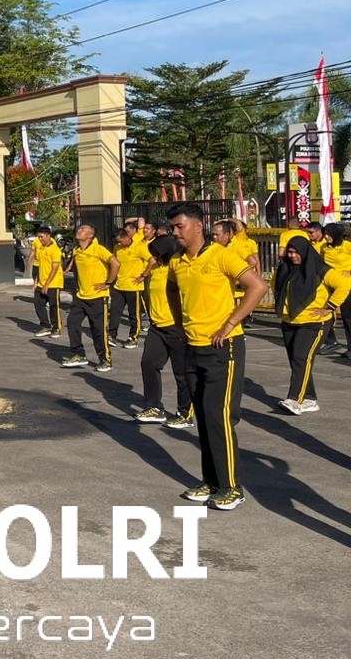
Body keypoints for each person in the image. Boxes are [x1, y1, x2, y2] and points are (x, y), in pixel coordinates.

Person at [167, 202, 266, 511]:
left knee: (219, 417)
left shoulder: (221, 255)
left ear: (198, 226)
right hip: (192, 347)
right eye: (173, 227)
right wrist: (180, 324)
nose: (175, 232)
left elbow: (258, 286)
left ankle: (231, 487)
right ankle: (211, 481)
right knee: (204, 416)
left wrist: (230, 323)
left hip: (224, 348)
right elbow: (172, 291)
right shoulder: (177, 262)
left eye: (180, 226)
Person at [273, 237, 350, 414]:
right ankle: (310, 399)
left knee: (301, 358)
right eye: (290, 252)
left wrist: (329, 307)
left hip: (315, 323)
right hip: (290, 321)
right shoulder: (285, 268)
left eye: (296, 252)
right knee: (297, 362)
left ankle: (294, 399)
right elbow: (276, 285)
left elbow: (344, 284)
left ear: (305, 252)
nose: (292, 256)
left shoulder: (320, 269)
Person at [135, 235, 192, 426]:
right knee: (149, 363)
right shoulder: (156, 269)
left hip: (177, 328)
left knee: (182, 373)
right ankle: (154, 407)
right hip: (157, 327)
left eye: (158, 254)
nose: (154, 257)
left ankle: (185, 413)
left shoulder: (178, 268)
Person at [62, 224, 119, 371]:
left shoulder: (98, 249)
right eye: (79, 228)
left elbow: (115, 263)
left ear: (90, 236)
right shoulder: (76, 250)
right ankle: (78, 354)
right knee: (72, 323)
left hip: (98, 297)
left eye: (83, 230)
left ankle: (105, 360)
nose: (79, 230)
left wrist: (108, 283)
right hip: (81, 296)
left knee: (98, 330)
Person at [109, 226, 150, 349]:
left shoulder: (139, 247)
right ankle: (112, 336)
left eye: (120, 241)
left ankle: (133, 338)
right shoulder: (117, 248)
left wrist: (143, 275)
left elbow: (152, 261)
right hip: (119, 286)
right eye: (117, 242)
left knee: (134, 315)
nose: (119, 244)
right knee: (115, 312)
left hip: (134, 287)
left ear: (127, 237)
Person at [319, 223, 351, 351]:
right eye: (325, 234)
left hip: (345, 286)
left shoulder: (347, 246)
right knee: (325, 313)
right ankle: (331, 342)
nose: (326, 237)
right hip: (329, 284)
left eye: (329, 234)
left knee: (348, 317)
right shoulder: (324, 247)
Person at [32, 226, 64, 337]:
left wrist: (47, 284)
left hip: (53, 283)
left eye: (41, 237)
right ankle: (45, 326)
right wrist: (36, 281)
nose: (40, 239)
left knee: (54, 306)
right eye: (38, 237)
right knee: (38, 304)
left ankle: (56, 328)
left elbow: (55, 268)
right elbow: (39, 266)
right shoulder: (41, 249)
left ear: (48, 236)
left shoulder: (55, 249)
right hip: (41, 283)